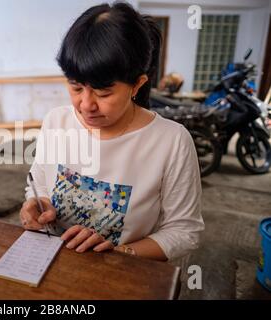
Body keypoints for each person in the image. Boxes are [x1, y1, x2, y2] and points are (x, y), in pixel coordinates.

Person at [20, 2, 204, 261]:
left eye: (103, 92)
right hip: (52, 262)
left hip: (123, 275)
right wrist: (37, 205)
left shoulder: (171, 141)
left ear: (137, 84)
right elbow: (37, 184)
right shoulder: (56, 121)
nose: (86, 105)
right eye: (75, 87)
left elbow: (185, 231)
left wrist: (119, 253)